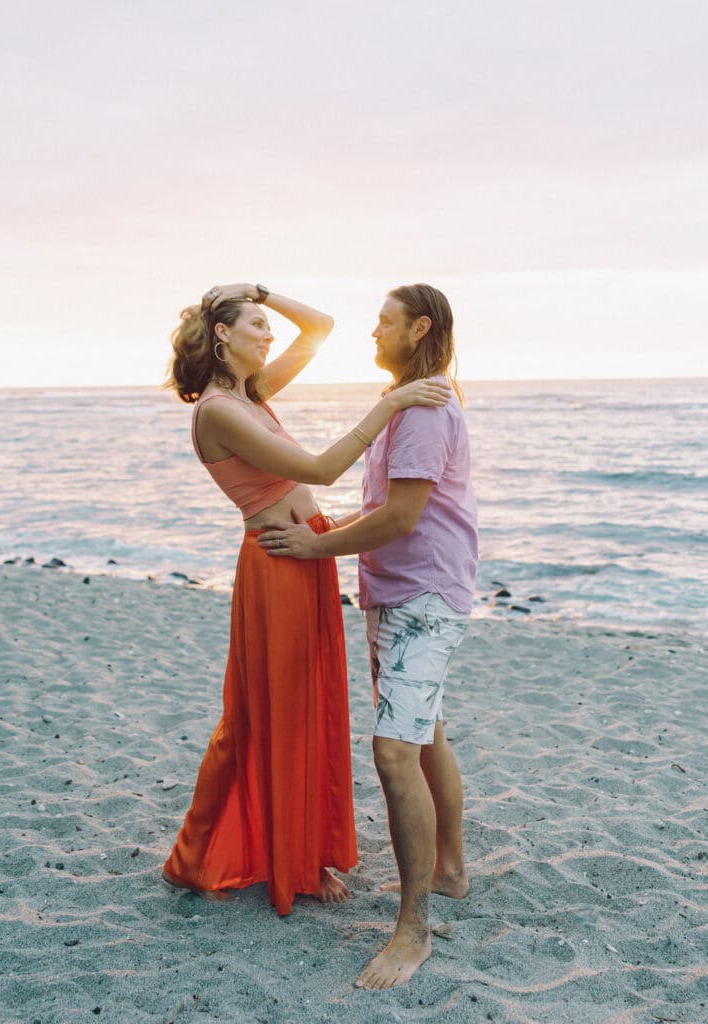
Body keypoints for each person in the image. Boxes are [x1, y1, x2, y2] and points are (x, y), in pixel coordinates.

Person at [162, 282, 451, 918]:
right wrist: (395, 401)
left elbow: (318, 326)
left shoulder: (251, 395)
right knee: (268, 712)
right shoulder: (219, 410)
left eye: (268, 325)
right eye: (257, 325)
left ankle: (307, 850)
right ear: (223, 338)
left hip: (307, 554)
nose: (270, 334)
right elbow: (319, 470)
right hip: (278, 565)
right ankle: (229, 855)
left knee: (311, 704)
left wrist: (260, 291)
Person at [258, 283, 477, 984]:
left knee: (392, 754)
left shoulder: (422, 408)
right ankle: (448, 870)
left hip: (423, 592)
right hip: (400, 592)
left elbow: (400, 518)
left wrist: (314, 549)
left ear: (417, 328)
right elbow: (387, 506)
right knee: (424, 732)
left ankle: (412, 933)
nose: (372, 334)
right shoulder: (413, 399)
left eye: (383, 323)